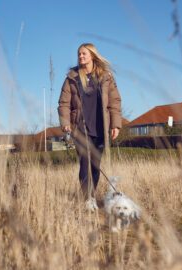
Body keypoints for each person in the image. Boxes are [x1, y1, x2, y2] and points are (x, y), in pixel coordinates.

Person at [58, 43, 122, 209]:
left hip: (100, 128)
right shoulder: (72, 78)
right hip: (80, 128)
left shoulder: (105, 77)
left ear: (92, 55)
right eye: (79, 54)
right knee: (84, 163)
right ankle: (89, 198)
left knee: (95, 164)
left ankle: (92, 193)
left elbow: (115, 101)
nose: (81, 56)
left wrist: (116, 124)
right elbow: (64, 103)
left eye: (84, 53)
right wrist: (65, 123)